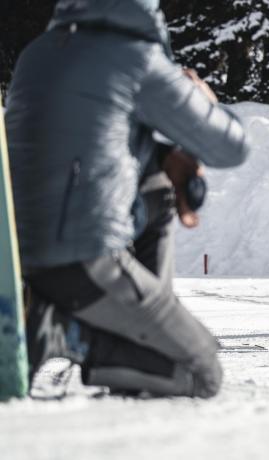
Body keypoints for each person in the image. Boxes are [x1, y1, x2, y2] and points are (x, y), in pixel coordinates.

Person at [6, 0, 249, 397]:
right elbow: (229, 147)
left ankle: (112, 328)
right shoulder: (133, 56)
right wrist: (203, 97)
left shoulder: (39, 52)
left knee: (157, 183)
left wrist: (162, 158)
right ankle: (72, 335)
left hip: (24, 257)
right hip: (85, 262)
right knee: (202, 371)